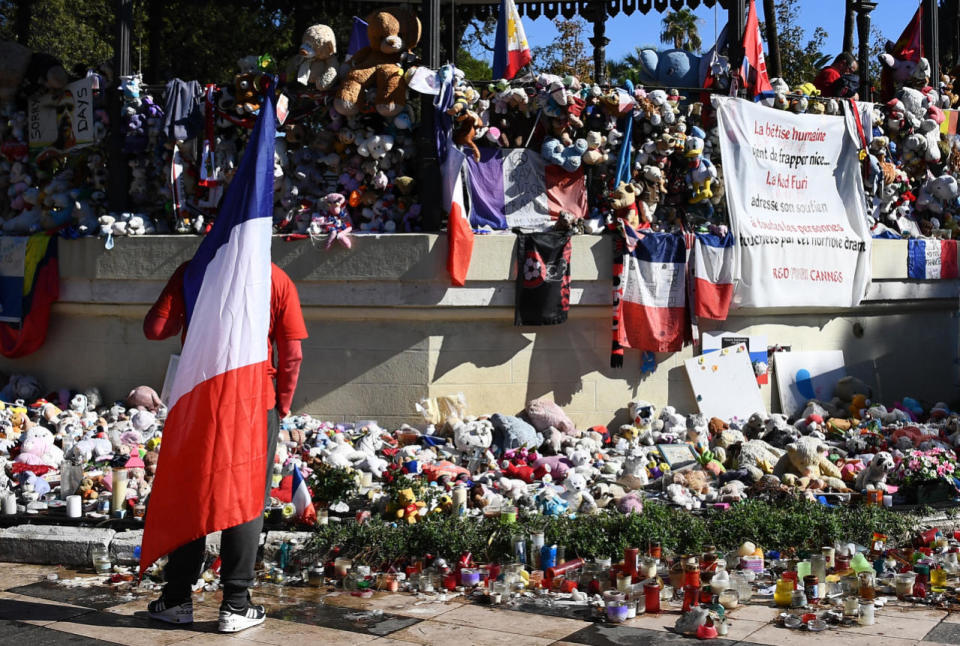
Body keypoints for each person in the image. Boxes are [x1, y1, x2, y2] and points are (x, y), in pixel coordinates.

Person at [142, 261, 307, 633]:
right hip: (253, 402)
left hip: (200, 399)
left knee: (191, 494)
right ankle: (235, 603)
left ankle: (176, 598)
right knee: (245, 499)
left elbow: (155, 329)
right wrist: (281, 404)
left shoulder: (192, 271)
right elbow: (291, 353)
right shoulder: (277, 277)